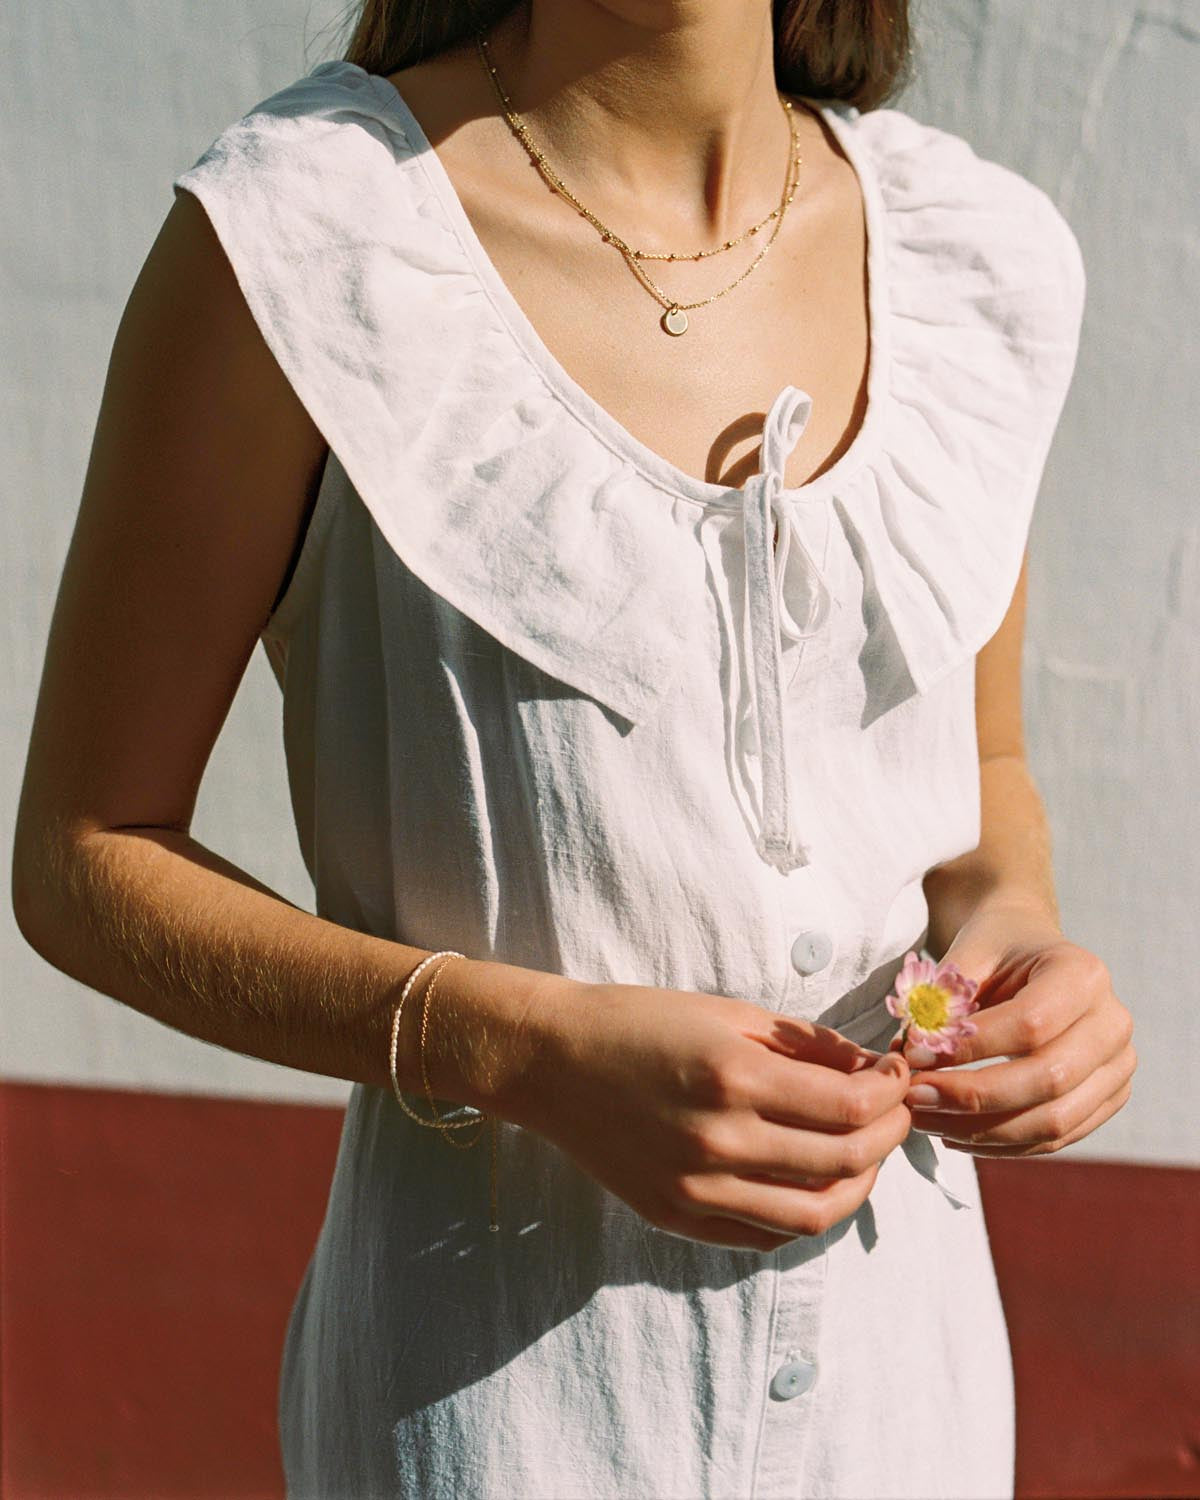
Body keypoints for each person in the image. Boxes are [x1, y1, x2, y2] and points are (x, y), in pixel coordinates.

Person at [12, 0, 1137, 1495]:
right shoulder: (305, 242)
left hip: (908, 1392)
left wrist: (1019, 948)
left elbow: (980, 785)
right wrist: (522, 1050)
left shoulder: (975, 258)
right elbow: (86, 855)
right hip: (500, 1412)